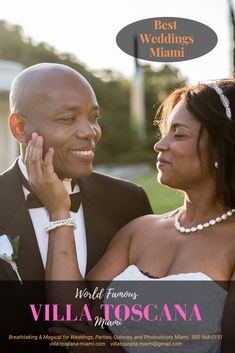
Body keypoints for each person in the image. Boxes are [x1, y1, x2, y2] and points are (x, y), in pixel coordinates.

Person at [26, 79, 235, 352]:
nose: (160, 145)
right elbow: (71, 321)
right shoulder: (140, 231)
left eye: (179, 134)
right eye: (164, 132)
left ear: (221, 147)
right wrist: (58, 211)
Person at [0, 63, 152, 352]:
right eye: (68, 118)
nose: (90, 132)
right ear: (20, 128)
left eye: (94, 118)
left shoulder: (128, 201)